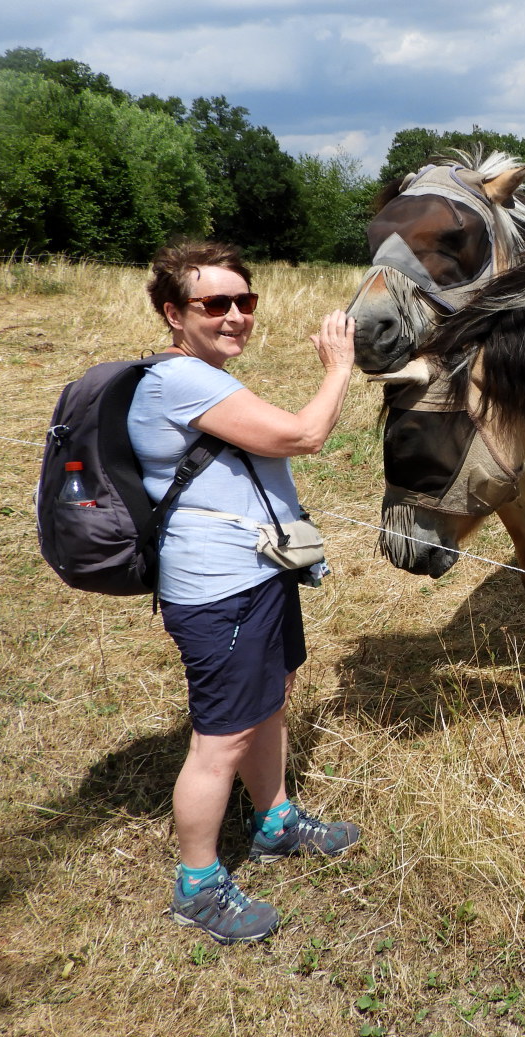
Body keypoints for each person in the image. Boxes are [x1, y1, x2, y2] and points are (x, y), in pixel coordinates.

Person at [128, 239, 359, 945]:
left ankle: (276, 821)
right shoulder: (180, 381)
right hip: (218, 588)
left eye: (244, 301)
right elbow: (303, 434)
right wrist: (340, 366)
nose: (234, 316)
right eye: (214, 303)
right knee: (219, 738)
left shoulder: (206, 375)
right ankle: (197, 885)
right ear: (174, 311)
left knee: (270, 697)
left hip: (258, 571)